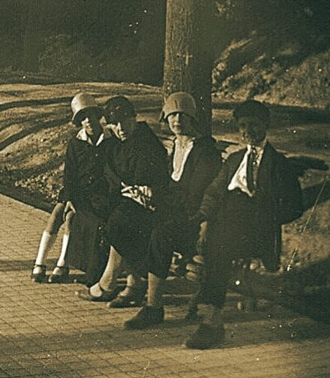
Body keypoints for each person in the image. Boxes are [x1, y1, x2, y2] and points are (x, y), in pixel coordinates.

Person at [183, 100, 303, 349]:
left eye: (254, 125)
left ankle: (212, 321)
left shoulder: (279, 164)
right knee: (201, 233)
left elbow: (293, 206)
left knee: (219, 243)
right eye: (242, 126)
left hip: (256, 229)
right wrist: (204, 222)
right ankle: (208, 316)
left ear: (266, 125)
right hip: (223, 224)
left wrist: (265, 215)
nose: (247, 131)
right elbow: (213, 193)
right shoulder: (234, 159)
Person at [122, 92, 222, 330]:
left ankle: (154, 306)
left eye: (182, 115)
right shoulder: (176, 146)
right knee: (129, 220)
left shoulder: (204, 151)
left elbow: (194, 196)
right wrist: (147, 194)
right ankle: (134, 283)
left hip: (196, 220)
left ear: (192, 118)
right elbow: (170, 186)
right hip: (175, 213)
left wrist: (156, 197)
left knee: (160, 233)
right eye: (172, 115)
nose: (177, 121)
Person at [78, 95, 169, 305]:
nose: (121, 128)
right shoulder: (118, 145)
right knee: (102, 214)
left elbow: (147, 180)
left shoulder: (146, 143)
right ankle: (132, 282)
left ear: (134, 118)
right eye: (114, 124)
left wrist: (129, 189)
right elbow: (112, 176)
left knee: (119, 223)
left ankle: (110, 283)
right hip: (131, 202)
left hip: (155, 204)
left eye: (125, 121)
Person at [31, 93, 113, 284]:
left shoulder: (109, 141)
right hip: (76, 191)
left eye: (90, 116)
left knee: (71, 218)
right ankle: (40, 262)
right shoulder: (76, 143)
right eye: (82, 118)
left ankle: (62, 264)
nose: (88, 122)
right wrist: (69, 198)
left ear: (97, 116)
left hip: (98, 195)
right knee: (57, 213)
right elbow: (70, 174)